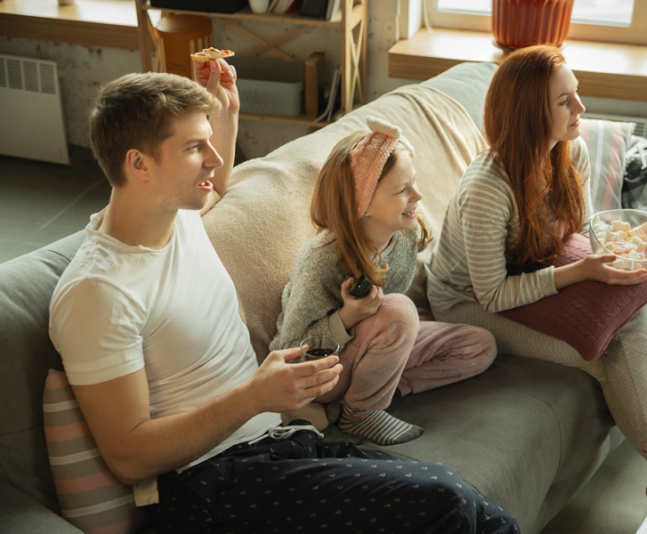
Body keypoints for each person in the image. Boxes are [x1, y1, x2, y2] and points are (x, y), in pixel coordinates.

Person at [49, 59, 519, 533]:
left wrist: (226, 112)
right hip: (212, 483)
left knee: (486, 516)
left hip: (279, 442)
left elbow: (220, 180)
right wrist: (253, 397)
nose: (212, 158)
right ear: (138, 164)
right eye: (194, 146)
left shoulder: (177, 215)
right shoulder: (98, 292)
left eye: (208, 140)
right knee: (446, 499)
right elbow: (129, 456)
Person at [424, 45, 647, 502]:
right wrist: (580, 272)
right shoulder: (486, 190)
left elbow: (572, 232)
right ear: (529, 115)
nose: (581, 108)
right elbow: (494, 294)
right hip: (467, 303)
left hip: (535, 269)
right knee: (599, 352)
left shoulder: (569, 152)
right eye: (565, 101)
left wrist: (628, 241)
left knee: (631, 313)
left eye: (576, 95)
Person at [270, 116, 498, 446]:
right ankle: (361, 413)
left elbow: (392, 322)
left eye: (414, 183)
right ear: (361, 204)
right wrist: (348, 317)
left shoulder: (406, 237)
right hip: (323, 369)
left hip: (375, 349)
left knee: (479, 347)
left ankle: (374, 391)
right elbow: (290, 349)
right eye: (402, 190)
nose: (418, 195)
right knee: (400, 309)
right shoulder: (322, 259)